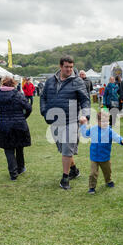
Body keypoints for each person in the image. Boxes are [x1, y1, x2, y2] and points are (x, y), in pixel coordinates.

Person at [40, 55, 91, 190]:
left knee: (67, 148)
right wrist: (44, 111)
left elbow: (85, 100)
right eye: (66, 67)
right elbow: (43, 97)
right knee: (63, 149)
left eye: (71, 67)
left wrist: (86, 115)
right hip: (55, 120)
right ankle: (74, 169)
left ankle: (65, 178)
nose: (69, 69)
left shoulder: (78, 81)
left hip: (71, 120)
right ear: (61, 66)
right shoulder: (50, 81)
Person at [80, 111, 123, 194]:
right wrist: (83, 125)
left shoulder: (109, 131)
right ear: (97, 121)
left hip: (105, 157)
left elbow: (116, 137)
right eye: (103, 121)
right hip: (94, 156)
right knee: (93, 173)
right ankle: (92, 187)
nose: (106, 123)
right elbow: (85, 135)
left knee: (107, 171)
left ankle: (108, 181)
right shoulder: (93, 129)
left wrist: (121, 140)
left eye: (107, 121)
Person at [0, 77, 32, 181]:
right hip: (19, 124)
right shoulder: (18, 95)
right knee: (19, 147)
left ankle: (13, 173)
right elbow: (28, 107)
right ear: (13, 84)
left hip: (4, 125)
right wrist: (23, 117)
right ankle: (20, 168)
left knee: (9, 150)